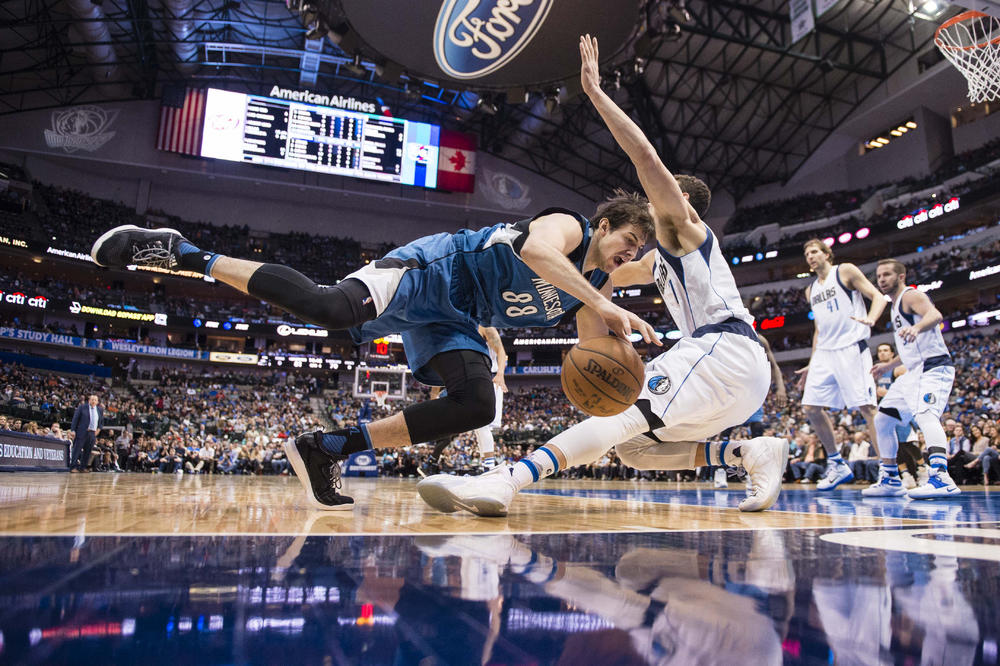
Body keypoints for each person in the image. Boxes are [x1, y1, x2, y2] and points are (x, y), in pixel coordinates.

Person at [91, 186, 657, 511]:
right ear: (605, 226)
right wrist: (603, 302)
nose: (625, 255)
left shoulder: (595, 290)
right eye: (627, 241)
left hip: (459, 319)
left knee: (478, 403)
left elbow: (592, 357)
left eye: (635, 252)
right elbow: (535, 252)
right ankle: (184, 252)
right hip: (435, 268)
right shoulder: (569, 229)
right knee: (330, 309)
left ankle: (328, 446)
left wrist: (616, 376)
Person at [416, 34, 788, 517]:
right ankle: (746, 453)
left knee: (620, 417)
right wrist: (598, 309)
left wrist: (595, 94)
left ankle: (505, 480)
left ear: (680, 200)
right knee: (634, 447)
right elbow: (600, 284)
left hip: (723, 352)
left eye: (662, 194)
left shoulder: (685, 229)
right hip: (732, 375)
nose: (651, 198)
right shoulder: (660, 259)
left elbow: (646, 159)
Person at [794, 239, 887, 490]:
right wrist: (813, 362)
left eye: (814, 251)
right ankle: (836, 463)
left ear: (826, 254)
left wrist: (870, 318)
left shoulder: (845, 271)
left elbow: (878, 296)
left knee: (867, 408)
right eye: (806, 253)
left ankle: (889, 473)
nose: (810, 256)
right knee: (810, 407)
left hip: (851, 346)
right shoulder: (810, 290)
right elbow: (818, 329)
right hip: (825, 351)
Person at [864, 258, 958, 498]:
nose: (882, 279)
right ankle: (891, 479)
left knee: (926, 414)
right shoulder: (894, 306)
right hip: (913, 371)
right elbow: (909, 350)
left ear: (901, 277)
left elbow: (935, 315)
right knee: (883, 421)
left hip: (934, 366)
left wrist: (917, 328)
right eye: (879, 275)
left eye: (887, 274)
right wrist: (888, 365)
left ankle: (940, 478)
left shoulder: (910, 295)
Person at [421, 325, 507, 475]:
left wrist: (500, 374)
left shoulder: (486, 328)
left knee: (482, 424)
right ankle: (486, 466)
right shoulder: (460, 330)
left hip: (490, 377)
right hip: (470, 379)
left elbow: (501, 352)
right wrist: (434, 394)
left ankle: (489, 466)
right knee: (474, 425)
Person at [69, 394, 103, 472]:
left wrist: (98, 430)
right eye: (92, 399)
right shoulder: (82, 407)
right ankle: (73, 467)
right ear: (89, 400)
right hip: (82, 431)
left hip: (92, 433)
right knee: (77, 450)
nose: (93, 401)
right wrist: (73, 430)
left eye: (95, 400)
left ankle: (83, 467)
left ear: (97, 402)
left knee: (88, 451)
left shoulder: (100, 410)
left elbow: (101, 423)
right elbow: (75, 419)